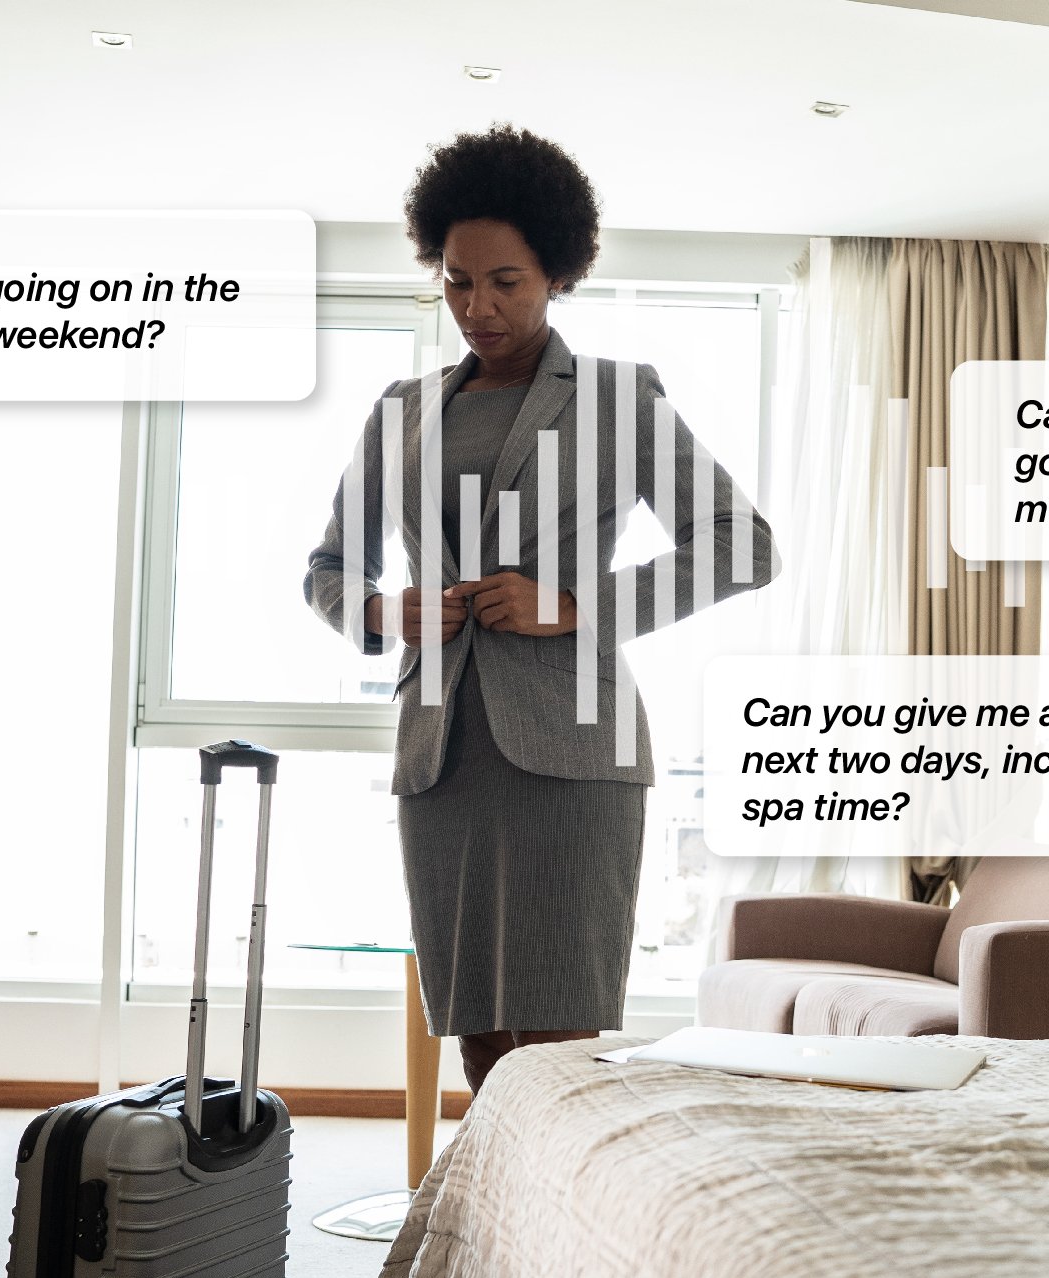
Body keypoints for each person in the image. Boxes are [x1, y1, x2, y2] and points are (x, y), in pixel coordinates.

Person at [305, 123, 778, 1094]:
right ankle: (492, 1230)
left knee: (563, 1041)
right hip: (442, 755)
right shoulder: (399, 410)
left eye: (504, 282)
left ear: (556, 272)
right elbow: (326, 569)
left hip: (575, 749)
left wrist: (574, 603)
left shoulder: (618, 398)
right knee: (477, 1036)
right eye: (455, 278)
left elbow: (744, 543)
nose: (475, 305)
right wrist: (382, 612)